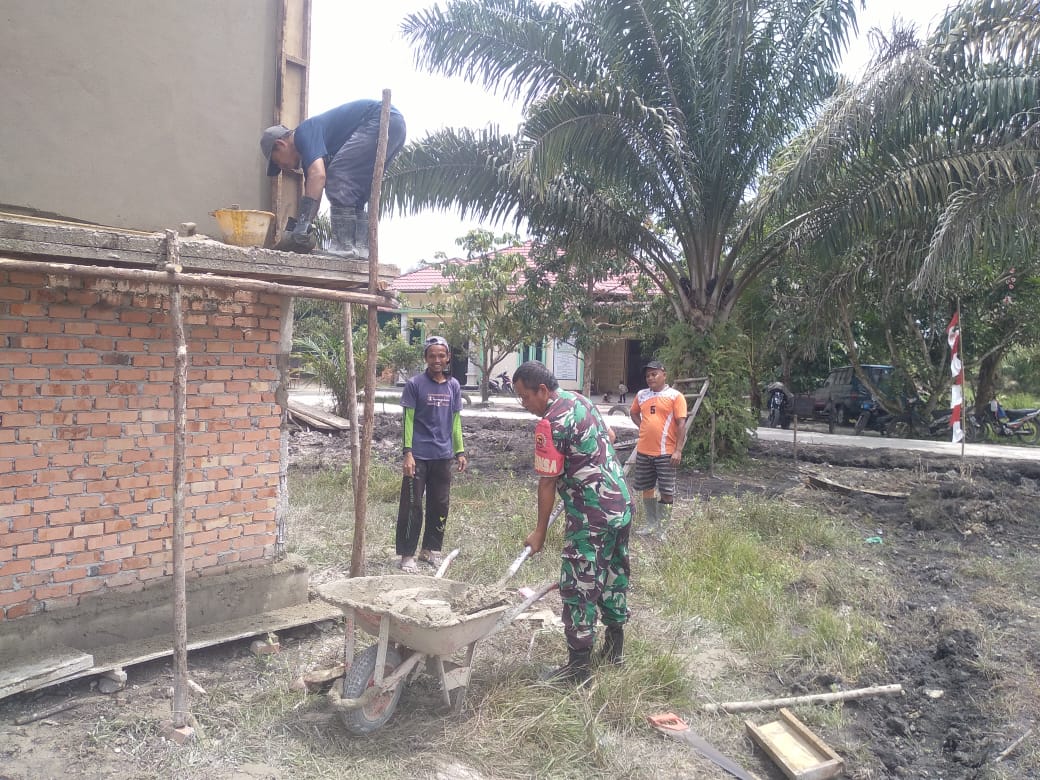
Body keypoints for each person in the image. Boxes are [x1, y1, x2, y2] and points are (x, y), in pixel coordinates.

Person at [512, 361, 633, 683]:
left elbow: (547, 482)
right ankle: (615, 651)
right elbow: (609, 435)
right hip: (621, 505)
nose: (524, 404)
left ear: (542, 390)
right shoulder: (580, 400)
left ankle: (578, 671)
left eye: (525, 397)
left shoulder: (550, 423)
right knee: (614, 576)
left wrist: (539, 532)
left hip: (591, 516)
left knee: (579, 587)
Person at [260, 99, 407, 258]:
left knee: (338, 175)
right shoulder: (312, 159)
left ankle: (343, 246)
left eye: (277, 162)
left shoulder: (304, 133)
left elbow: (319, 176)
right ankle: (360, 248)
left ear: (281, 145)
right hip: (394, 124)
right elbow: (314, 191)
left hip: (378, 118)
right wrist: (303, 226)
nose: (282, 167)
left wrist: (303, 221)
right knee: (357, 190)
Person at [395, 336, 467, 573]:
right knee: (412, 505)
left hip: (442, 456)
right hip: (418, 456)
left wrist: (459, 451)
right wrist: (407, 453)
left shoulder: (453, 386)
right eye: (432, 356)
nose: (437, 360)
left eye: (441, 355)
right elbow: (408, 420)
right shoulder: (415, 384)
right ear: (426, 358)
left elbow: (455, 421)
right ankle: (407, 554)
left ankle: (430, 550)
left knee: (440, 504)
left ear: (448, 358)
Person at [629, 360, 687, 538]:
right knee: (647, 489)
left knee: (667, 491)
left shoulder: (675, 396)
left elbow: (681, 424)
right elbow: (633, 412)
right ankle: (651, 523)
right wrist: (643, 426)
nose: (650, 378)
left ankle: (662, 529)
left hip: (666, 453)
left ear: (664, 375)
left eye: (654, 374)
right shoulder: (641, 395)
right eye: (647, 375)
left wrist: (678, 450)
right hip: (644, 451)